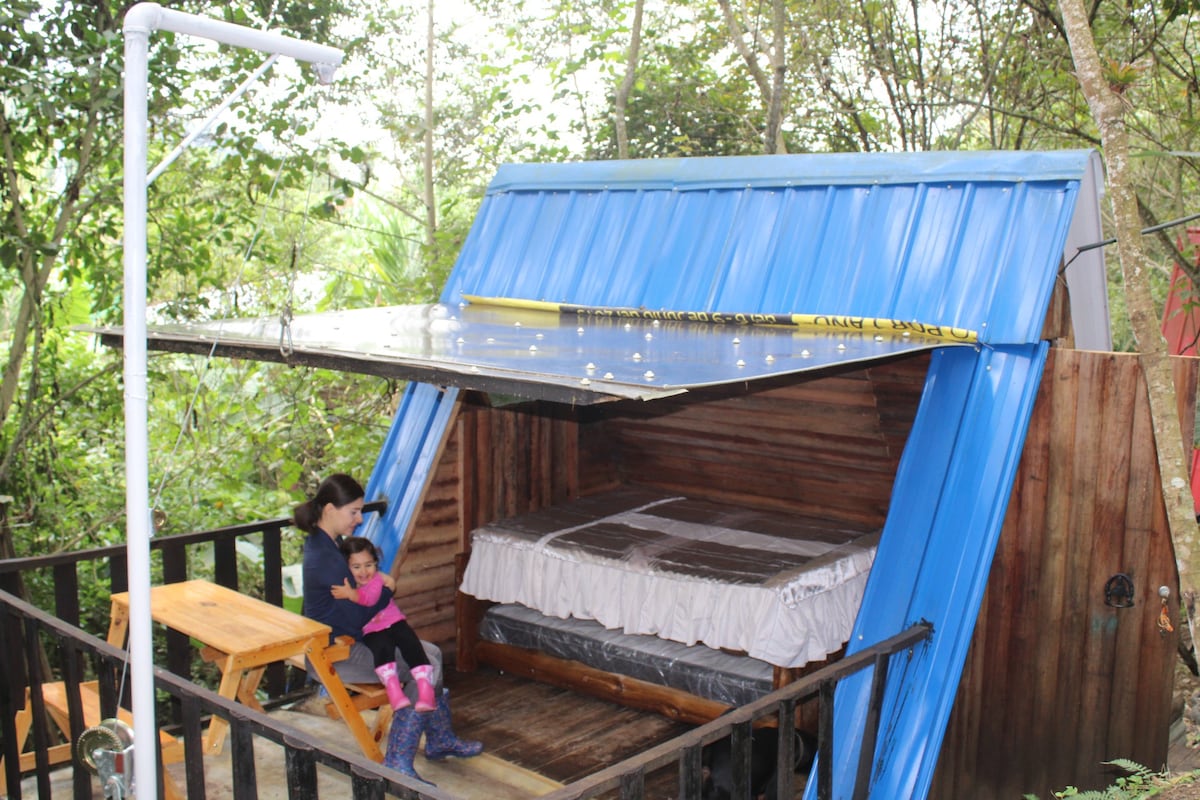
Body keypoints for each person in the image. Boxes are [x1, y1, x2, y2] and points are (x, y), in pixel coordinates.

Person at [293, 473, 482, 781]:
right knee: (429, 663)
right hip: (335, 654)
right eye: (353, 511)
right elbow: (357, 618)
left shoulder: (328, 543)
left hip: (346, 640)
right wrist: (386, 590)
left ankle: (439, 739)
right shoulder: (326, 560)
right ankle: (398, 762)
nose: (358, 519)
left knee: (429, 652)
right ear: (329, 509)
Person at [335, 536, 436, 712]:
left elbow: (371, 599)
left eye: (369, 565)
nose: (364, 572)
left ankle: (425, 689)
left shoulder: (376, 580)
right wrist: (349, 592)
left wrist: (351, 595)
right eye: (356, 567)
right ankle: (394, 689)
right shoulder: (348, 585)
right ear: (346, 567)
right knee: (381, 649)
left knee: (411, 644)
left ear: (376, 563)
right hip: (372, 630)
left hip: (394, 622)